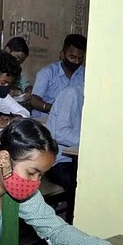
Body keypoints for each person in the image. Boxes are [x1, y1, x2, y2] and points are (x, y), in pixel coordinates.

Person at [44, 84, 84, 222]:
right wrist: (90, 141)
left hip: (76, 159)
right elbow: (61, 134)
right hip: (59, 161)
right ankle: (72, 224)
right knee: (80, 186)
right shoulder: (71, 94)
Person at [30, 34, 86, 118]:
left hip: (71, 121)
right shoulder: (47, 73)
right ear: (62, 54)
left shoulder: (85, 75)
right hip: (45, 119)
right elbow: (34, 101)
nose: (77, 62)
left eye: (80, 58)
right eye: (73, 57)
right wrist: (55, 109)